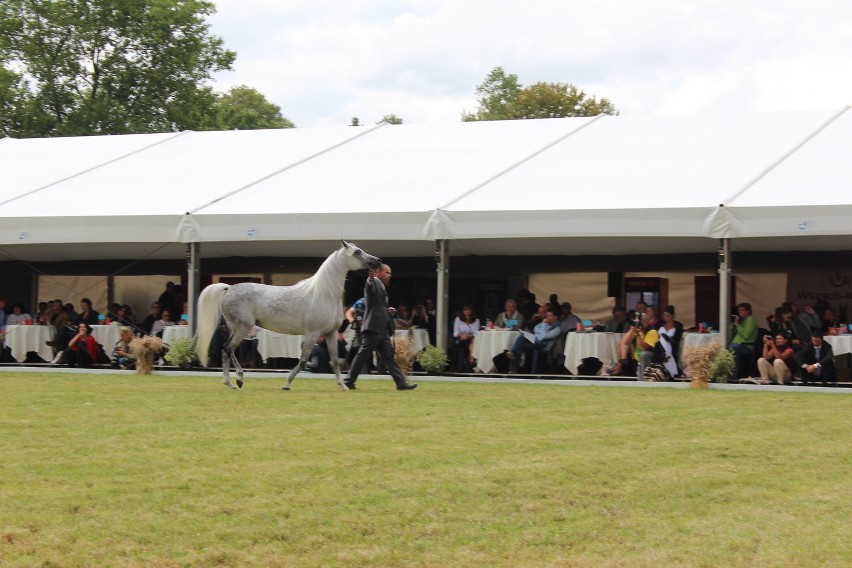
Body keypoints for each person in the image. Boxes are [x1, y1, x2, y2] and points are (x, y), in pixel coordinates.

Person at [345, 264, 417, 391]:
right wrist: (370, 279)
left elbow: (376, 306)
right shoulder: (373, 283)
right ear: (377, 272)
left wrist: (388, 311)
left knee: (389, 356)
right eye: (387, 272)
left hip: (381, 329)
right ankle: (348, 380)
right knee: (363, 355)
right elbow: (369, 288)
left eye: (390, 273)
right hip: (373, 328)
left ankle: (401, 384)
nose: (389, 275)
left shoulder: (382, 286)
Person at [507, 309, 561, 373]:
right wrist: (542, 331)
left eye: (549, 316)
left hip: (541, 343)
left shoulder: (557, 329)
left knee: (521, 339)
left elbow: (542, 337)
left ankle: (513, 365)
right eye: (547, 316)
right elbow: (535, 328)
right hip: (534, 339)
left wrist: (543, 325)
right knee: (521, 340)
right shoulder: (546, 323)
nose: (547, 318)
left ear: (555, 317)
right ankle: (514, 369)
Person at [729, 302, 758, 379]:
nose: (740, 311)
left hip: (747, 346)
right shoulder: (742, 320)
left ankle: (734, 374)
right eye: (739, 310)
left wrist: (738, 325)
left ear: (748, 311)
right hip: (737, 344)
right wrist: (733, 324)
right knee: (726, 347)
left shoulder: (751, 320)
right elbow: (730, 332)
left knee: (733, 348)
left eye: (742, 310)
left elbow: (746, 335)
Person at [657, 305, 684, 378]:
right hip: (659, 348)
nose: (666, 318)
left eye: (668, 316)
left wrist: (668, 338)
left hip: (671, 347)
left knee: (668, 354)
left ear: (673, 316)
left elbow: (676, 339)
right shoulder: (660, 324)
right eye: (664, 316)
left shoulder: (678, 325)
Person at [452, 304, 479, 372]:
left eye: (468, 309)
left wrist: (468, 336)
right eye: (465, 309)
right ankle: (469, 364)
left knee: (473, 341)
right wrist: (461, 335)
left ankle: (471, 363)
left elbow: (476, 333)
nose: (466, 311)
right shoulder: (458, 319)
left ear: (472, 311)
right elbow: (455, 333)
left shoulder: (476, 321)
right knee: (462, 343)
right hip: (461, 338)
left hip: (471, 339)